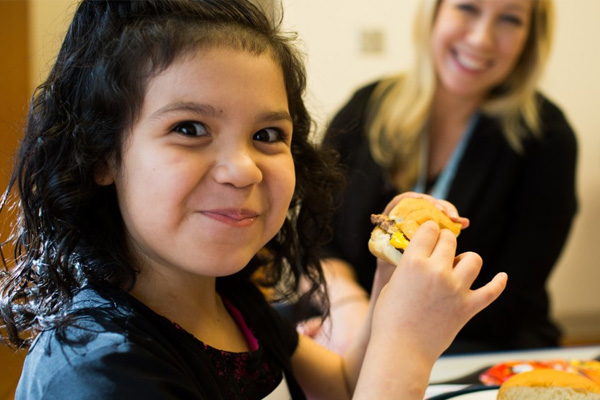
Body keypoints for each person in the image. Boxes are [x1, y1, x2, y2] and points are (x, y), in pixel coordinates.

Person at [0, 1, 507, 399]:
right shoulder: (96, 371)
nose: (244, 169)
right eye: (190, 128)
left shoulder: (231, 304)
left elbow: (346, 388)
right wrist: (408, 352)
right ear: (101, 156)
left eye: (267, 134)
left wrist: (392, 275)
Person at [315, 0, 577, 355]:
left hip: (478, 346)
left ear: (530, 39)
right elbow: (314, 237)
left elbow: (513, 295)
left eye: (510, 19)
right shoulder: (365, 107)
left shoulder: (546, 136)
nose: (481, 38)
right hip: (349, 332)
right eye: (467, 7)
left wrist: (389, 339)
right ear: (434, 13)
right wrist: (346, 308)